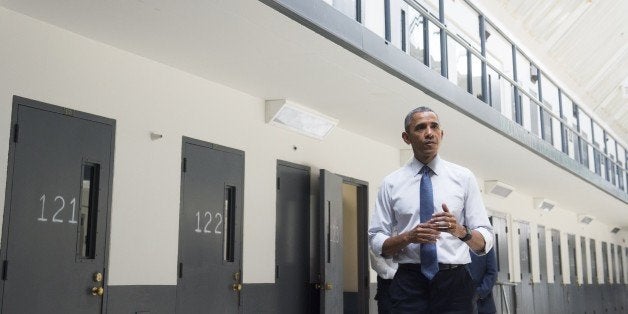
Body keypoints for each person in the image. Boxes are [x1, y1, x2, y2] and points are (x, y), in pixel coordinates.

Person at [368, 106, 494, 313]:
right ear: (406, 138)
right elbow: (376, 240)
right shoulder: (391, 183)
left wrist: (460, 231)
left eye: (434, 126)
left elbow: (485, 240)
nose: (429, 133)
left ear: (441, 134)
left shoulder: (463, 178)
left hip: (455, 283)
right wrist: (408, 237)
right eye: (420, 128)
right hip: (409, 281)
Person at [467, 248, 497, 314]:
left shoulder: (486, 244)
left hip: (483, 304)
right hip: (458, 302)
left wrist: (479, 293)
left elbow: (492, 272)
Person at [369, 249, 398, 314]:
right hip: (388, 284)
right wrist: (401, 275)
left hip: (415, 282)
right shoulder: (377, 240)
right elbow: (379, 265)